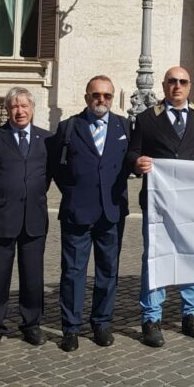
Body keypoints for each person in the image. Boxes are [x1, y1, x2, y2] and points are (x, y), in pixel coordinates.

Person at [129, 66, 194, 348]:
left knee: (191, 255)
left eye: (182, 82)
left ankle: (191, 314)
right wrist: (137, 162)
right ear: (164, 85)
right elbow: (133, 151)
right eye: (172, 82)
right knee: (154, 257)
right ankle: (151, 316)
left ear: (189, 86)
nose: (177, 86)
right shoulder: (146, 118)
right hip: (158, 203)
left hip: (192, 202)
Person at [49, 76, 130, 352]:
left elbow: (130, 161)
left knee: (108, 271)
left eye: (107, 96)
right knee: (73, 272)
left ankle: (102, 323)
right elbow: (56, 167)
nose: (101, 100)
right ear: (86, 97)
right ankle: (70, 328)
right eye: (96, 95)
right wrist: (74, 191)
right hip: (77, 211)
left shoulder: (124, 127)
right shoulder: (69, 127)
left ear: (113, 97)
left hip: (112, 211)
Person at [0, 87, 53, 351]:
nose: (20, 111)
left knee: (33, 275)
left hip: (33, 218)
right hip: (1, 217)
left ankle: (31, 324)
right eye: (14, 106)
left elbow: (47, 177)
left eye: (24, 106)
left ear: (32, 108)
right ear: (7, 110)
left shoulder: (45, 139)